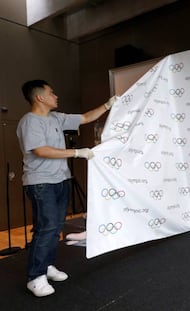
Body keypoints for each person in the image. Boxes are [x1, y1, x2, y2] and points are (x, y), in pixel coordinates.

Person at [17, 79, 117, 297]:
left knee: (54, 227)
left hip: (60, 179)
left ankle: (47, 266)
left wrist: (108, 105)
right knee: (47, 228)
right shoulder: (30, 122)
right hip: (41, 182)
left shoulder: (56, 118)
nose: (56, 96)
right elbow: (41, 150)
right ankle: (35, 277)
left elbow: (85, 118)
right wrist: (77, 152)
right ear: (40, 97)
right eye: (51, 93)